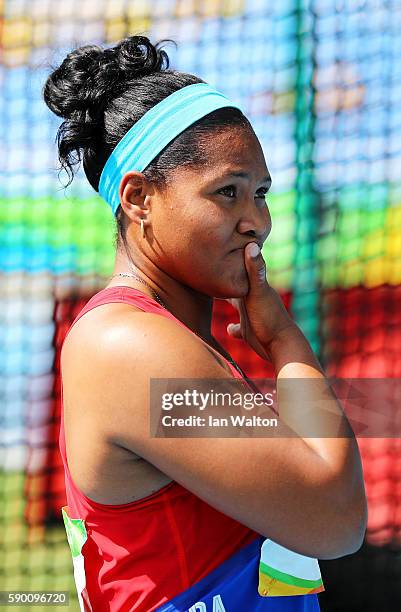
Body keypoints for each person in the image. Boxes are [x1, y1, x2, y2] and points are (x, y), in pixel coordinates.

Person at [44, 35, 367, 611]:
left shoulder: (167, 339)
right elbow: (334, 518)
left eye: (261, 194)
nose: (256, 223)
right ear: (139, 197)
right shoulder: (127, 345)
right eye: (227, 193)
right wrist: (287, 342)